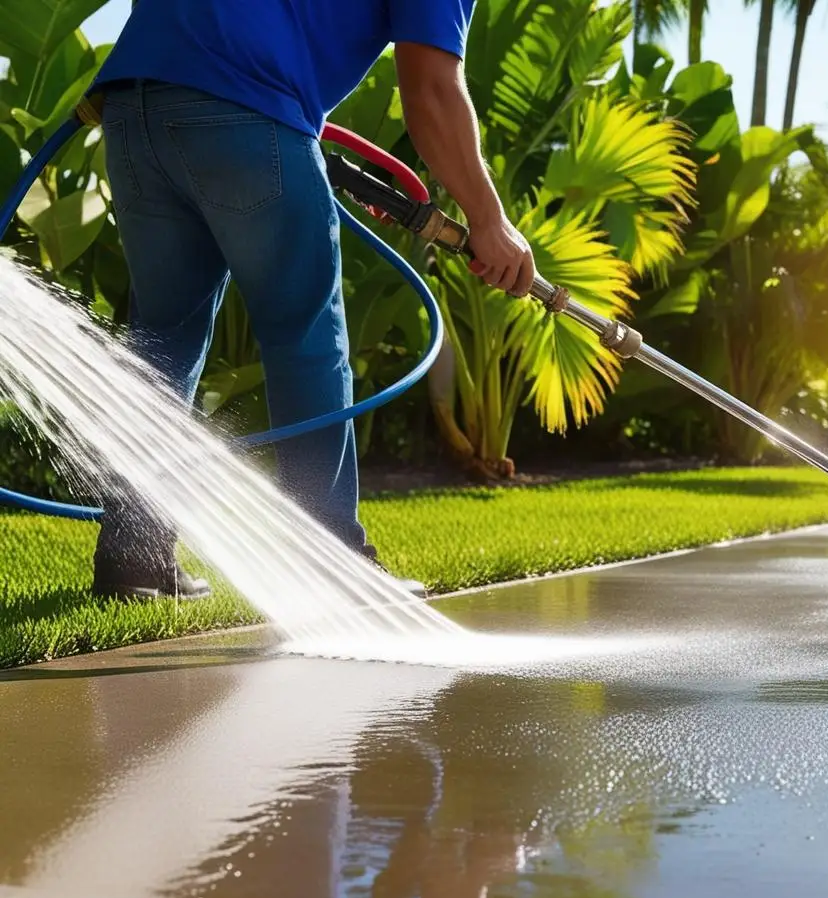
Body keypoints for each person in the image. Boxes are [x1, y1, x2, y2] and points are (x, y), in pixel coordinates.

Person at [86, 0, 535, 601]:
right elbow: (429, 89)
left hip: (134, 106)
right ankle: (329, 568)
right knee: (305, 340)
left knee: (161, 339)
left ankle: (133, 561)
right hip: (247, 104)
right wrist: (488, 218)